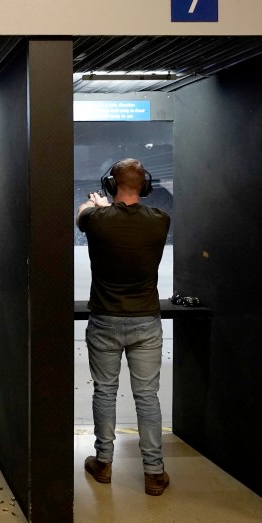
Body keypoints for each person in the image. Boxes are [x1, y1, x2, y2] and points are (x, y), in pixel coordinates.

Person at [76, 158, 171, 496]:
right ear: (144, 185)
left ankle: (103, 461)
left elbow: (81, 216)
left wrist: (97, 203)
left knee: (105, 392)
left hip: (105, 319)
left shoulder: (96, 219)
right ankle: (154, 472)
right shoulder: (160, 220)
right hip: (146, 321)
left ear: (110, 185)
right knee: (147, 397)